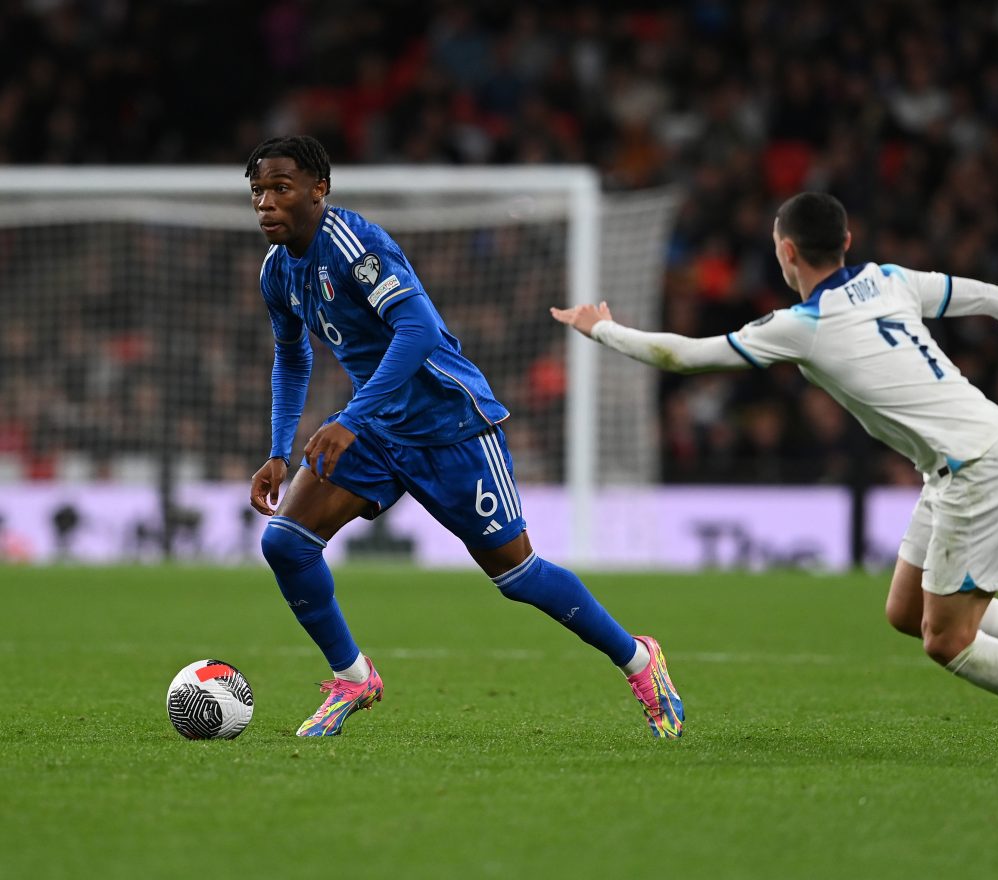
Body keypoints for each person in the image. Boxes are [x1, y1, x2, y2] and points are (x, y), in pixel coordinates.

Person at [553, 192, 998, 765]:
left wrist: (599, 327)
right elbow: (988, 296)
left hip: (976, 469)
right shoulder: (890, 279)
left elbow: (682, 356)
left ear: (787, 253)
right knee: (906, 609)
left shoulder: (802, 324)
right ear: (847, 242)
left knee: (947, 639)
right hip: (962, 459)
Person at [245, 135, 683, 739]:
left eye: (280, 188)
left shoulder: (355, 246)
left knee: (518, 576)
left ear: (319, 190)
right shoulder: (277, 272)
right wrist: (276, 451)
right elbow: (291, 360)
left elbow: (418, 330)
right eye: (258, 191)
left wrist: (348, 416)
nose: (266, 203)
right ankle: (352, 675)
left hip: (449, 424)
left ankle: (639, 659)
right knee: (286, 544)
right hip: (376, 427)